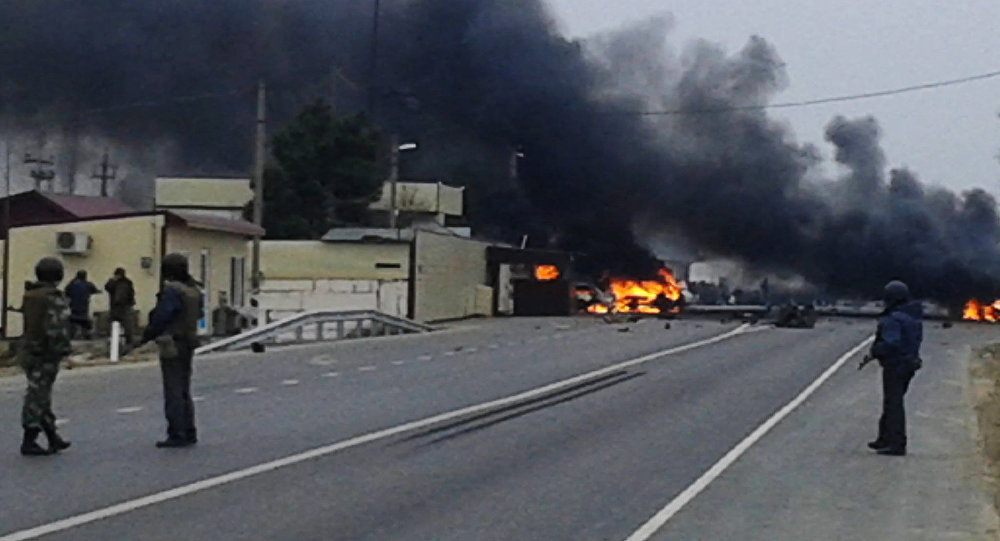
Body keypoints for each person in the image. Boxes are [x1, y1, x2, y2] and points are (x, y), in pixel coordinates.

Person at [141, 254, 203, 448]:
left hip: (172, 342)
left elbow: (163, 316)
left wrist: (148, 333)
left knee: (173, 388)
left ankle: (177, 432)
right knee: (184, 388)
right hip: (189, 341)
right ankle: (189, 429)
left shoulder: (173, 291)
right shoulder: (193, 290)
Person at [19, 257, 73, 456]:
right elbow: (56, 327)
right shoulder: (52, 297)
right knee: (38, 395)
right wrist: (63, 349)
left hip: (30, 350)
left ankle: (52, 436)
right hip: (46, 352)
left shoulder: (31, 295)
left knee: (41, 393)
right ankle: (30, 438)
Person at [867, 280, 923, 456]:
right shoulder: (913, 317)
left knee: (893, 403)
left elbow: (892, 343)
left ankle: (896, 443)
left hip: (896, 364)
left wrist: (877, 350)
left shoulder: (894, 319)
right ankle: (884, 438)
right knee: (893, 401)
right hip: (909, 363)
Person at [105, 268, 136, 348]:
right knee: (122, 325)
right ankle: (121, 342)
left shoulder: (125, 283)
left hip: (120, 307)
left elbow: (130, 294)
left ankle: (125, 342)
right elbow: (107, 287)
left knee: (124, 326)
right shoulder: (126, 282)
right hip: (121, 307)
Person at [65, 270, 99, 340]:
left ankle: (71, 336)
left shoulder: (72, 285)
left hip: (73, 308)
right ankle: (86, 336)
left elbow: (66, 291)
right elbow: (95, 291)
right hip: (84, 309)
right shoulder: (88, 285)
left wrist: (73, 280)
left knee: (73, 322)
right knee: (85, 323)